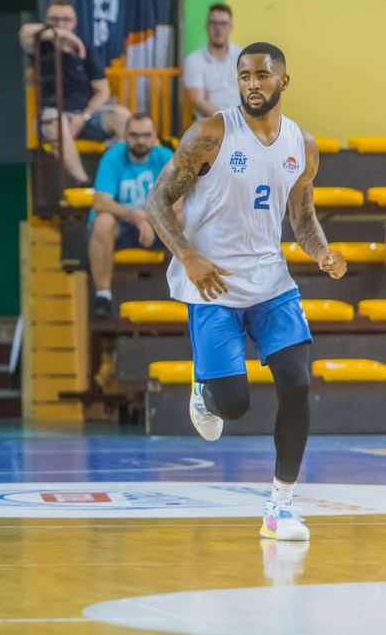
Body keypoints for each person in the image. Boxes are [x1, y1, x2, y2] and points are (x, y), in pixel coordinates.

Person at [146, 42, 346, 542]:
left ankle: (280, 507)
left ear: (283, 80)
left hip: (271, 282)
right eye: (244, 76)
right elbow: (156, 201)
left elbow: (302, 219)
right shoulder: (211, 133)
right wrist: (188, 256)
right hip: (211, 282)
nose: (252, 83)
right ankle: (204, 387)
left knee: (297, 384)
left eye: (262, 74)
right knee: (232, 406)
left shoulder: (302, 144)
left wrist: (322, 253)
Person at [19, 0, 131, 184]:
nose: (60, 24)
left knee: (123, 116)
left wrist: (83, 117)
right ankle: (84, 181)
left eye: (66, 20)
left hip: (86, 117)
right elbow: (24, 32)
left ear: (75, 22)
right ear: (46, 20)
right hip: (53, 116)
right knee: (56, 121)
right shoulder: (40, 44)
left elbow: (103, 91)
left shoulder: (86, 49)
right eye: (54, 19)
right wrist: (64, 35)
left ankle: (114, 177)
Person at [88, 113, 173, 319]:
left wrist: (150, 221)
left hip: (157, 226)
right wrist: (136, 217)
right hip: (122, 226)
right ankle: (103, 296)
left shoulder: (165, 157)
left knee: (189, 220)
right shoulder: (112, 157)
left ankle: (192, 294)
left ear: (154, 136)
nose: (140, 141)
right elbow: (100, 202)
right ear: (125, 135)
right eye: (134, 135)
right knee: (102, 221)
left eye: (146, 135)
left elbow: (180, 201)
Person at [183, 4, 244, 119]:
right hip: (210, 125)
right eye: (213, 23)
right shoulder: (194, 60)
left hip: (243, 122)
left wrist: (242, 122)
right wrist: (227, 121)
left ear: (231, 27)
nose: (218, 28)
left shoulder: (243, 57)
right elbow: (198, 101)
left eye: (223, 24)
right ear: (206, 26)